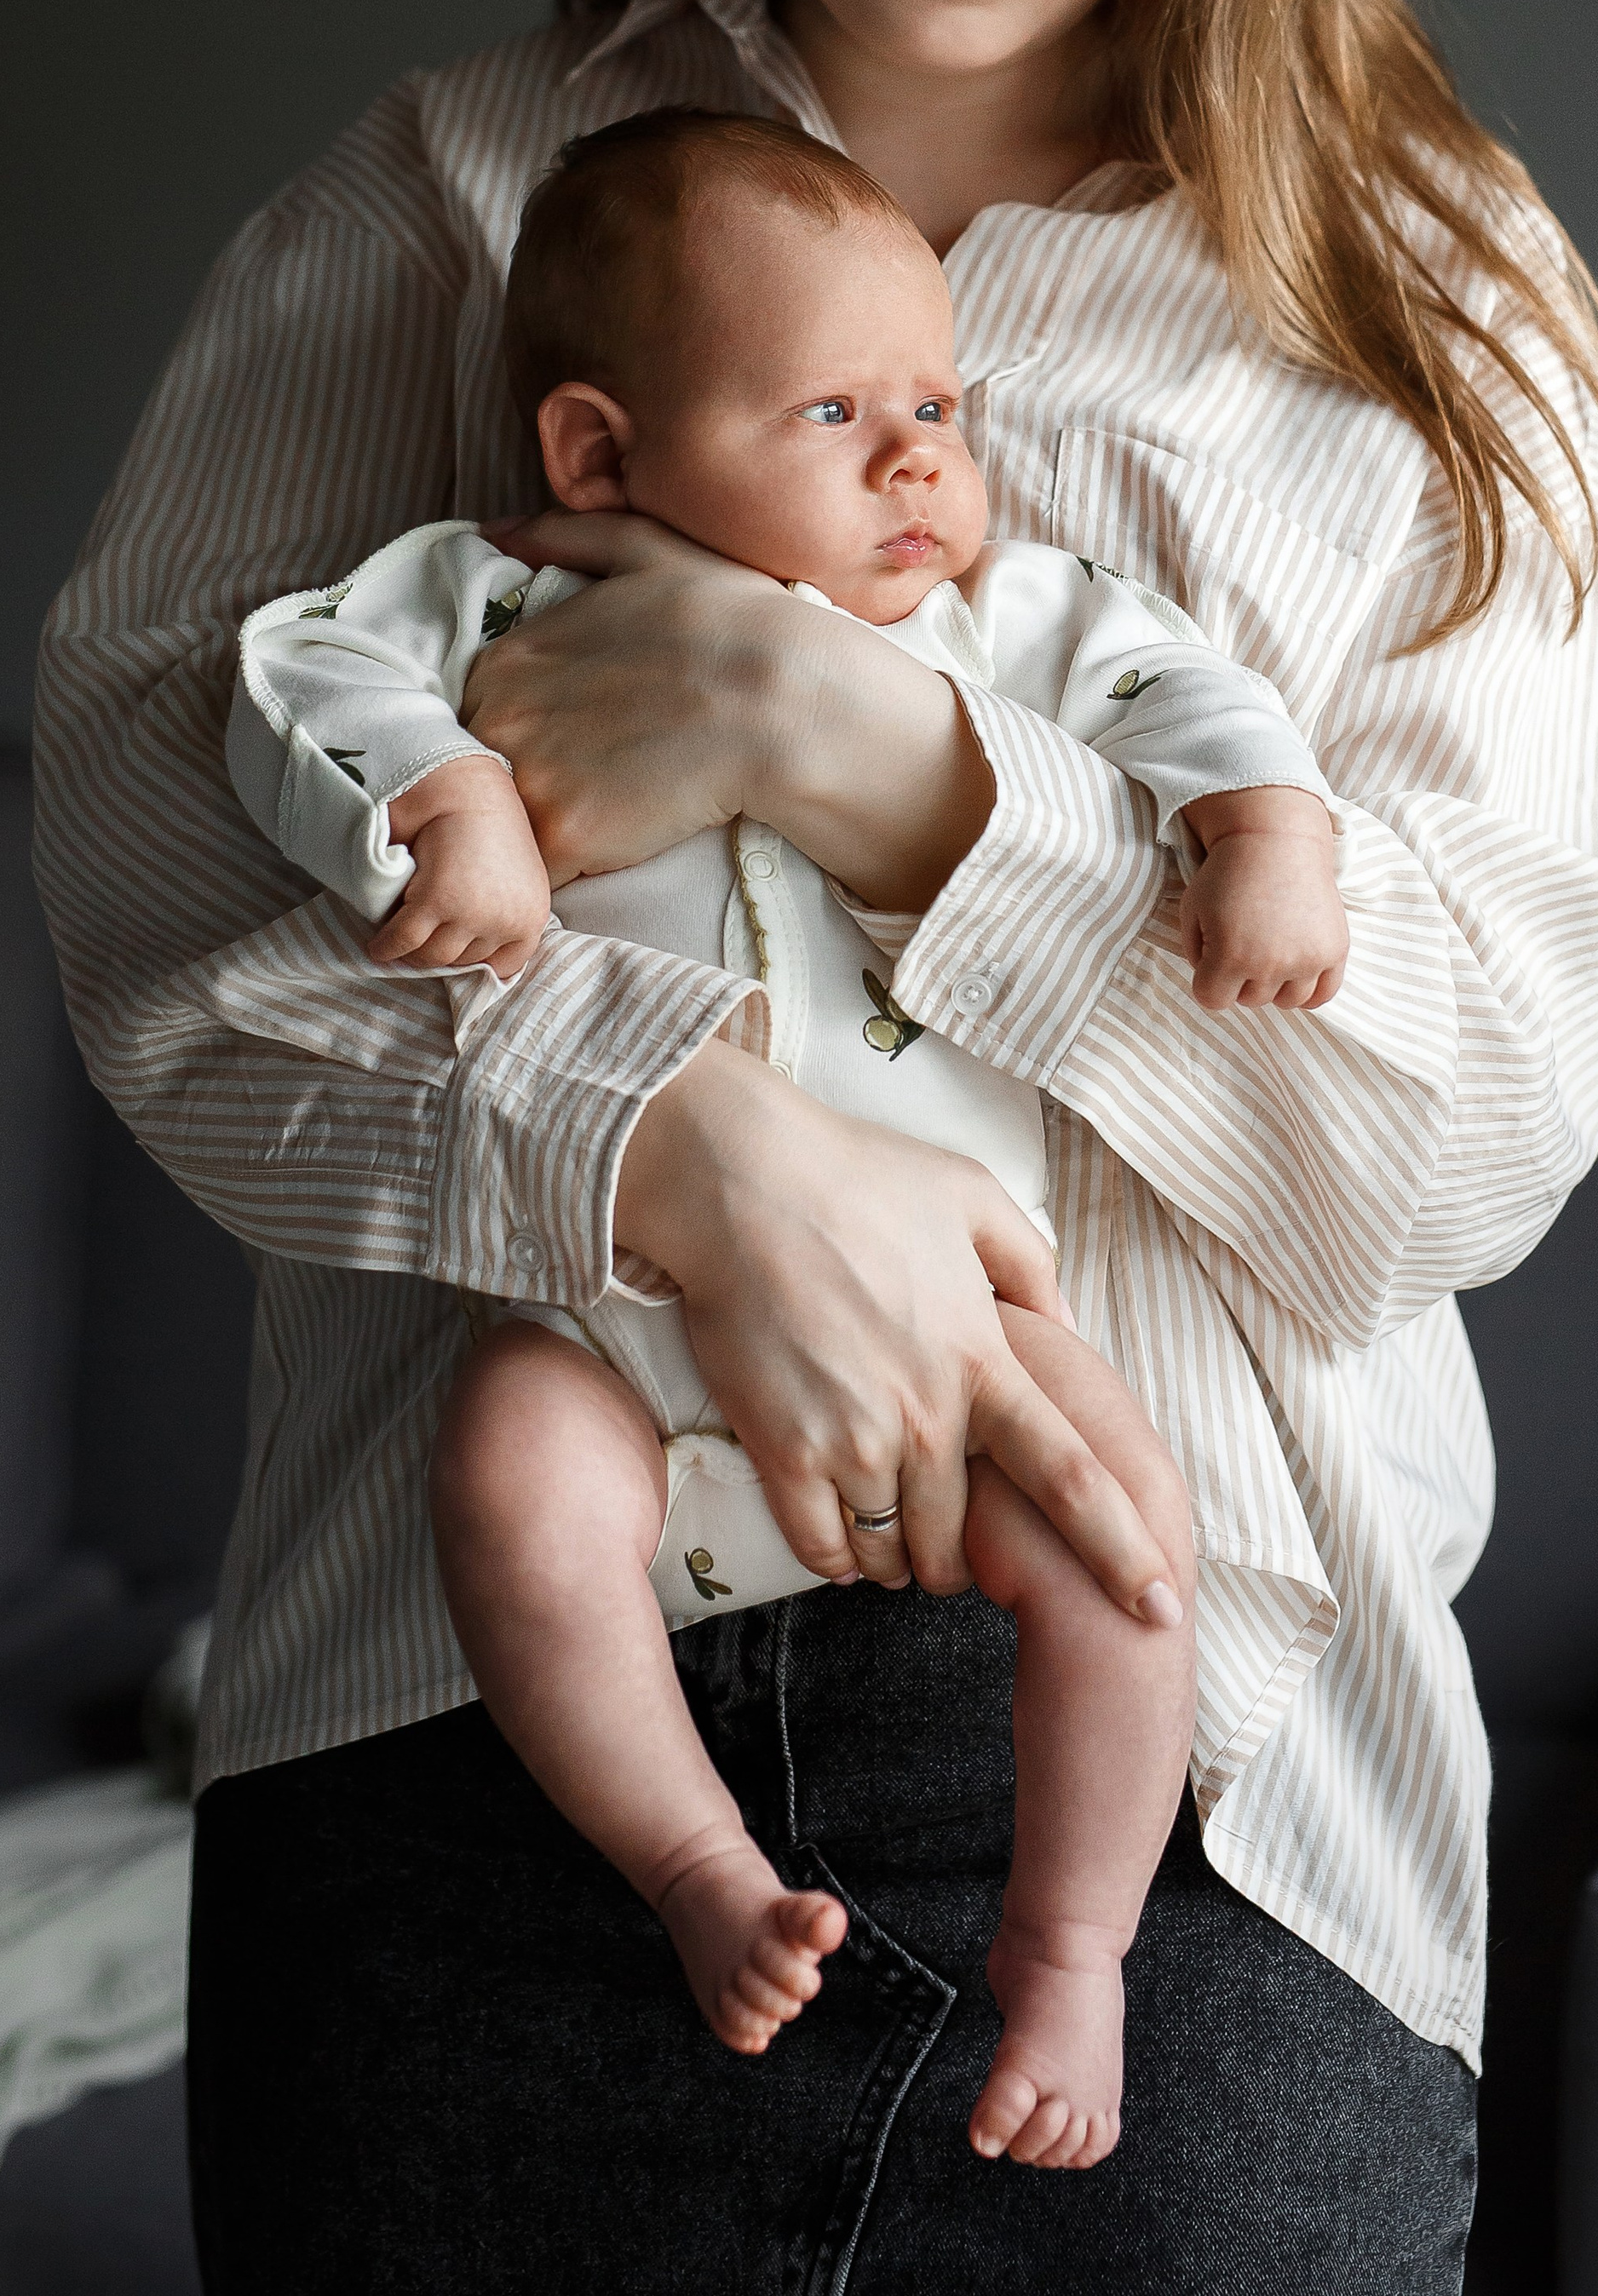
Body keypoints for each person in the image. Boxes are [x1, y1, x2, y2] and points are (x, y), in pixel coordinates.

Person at [34, 0, 1598, 2291]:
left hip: (1201, 1791)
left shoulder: (1435, 313)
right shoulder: (454, 209)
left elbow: (1460, 1131)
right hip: (470, 1739)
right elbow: (156, 902)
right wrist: (666, 1149)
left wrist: (891, 766)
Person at [223, 104, 1351, 2169]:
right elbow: (296, 679)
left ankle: (1071, 1948)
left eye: (936, 407)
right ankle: (691, 1862)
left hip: (968, 1329)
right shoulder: (491, 602)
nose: (915, 462)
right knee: (505, 1480)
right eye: (835, 411)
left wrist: (1263, 834)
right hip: (604, 1322)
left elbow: (1185, 690)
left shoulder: (990, 620)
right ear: (596, 452)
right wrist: (441, 803)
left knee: (1130, 1541)